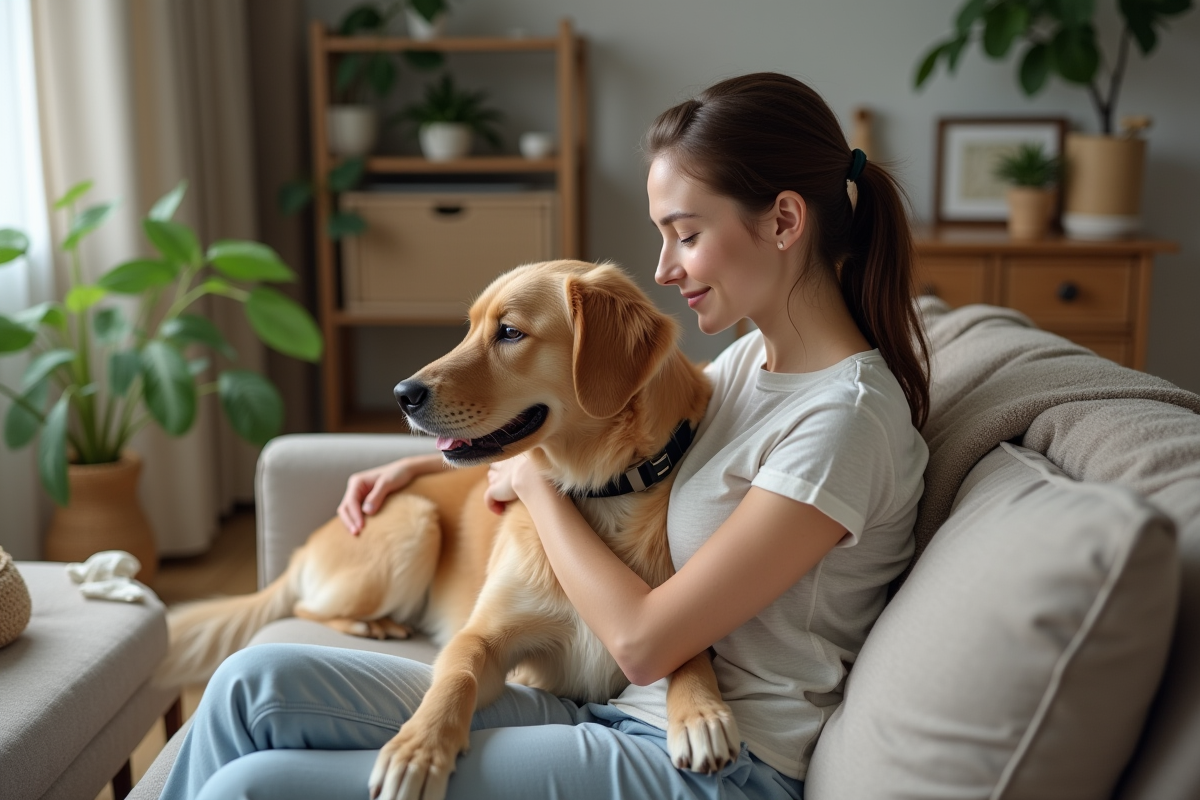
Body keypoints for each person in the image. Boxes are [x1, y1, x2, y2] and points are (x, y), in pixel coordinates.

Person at [160, 72, 930, 800]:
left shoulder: (844, 421)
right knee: (248, 684)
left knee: (245, 791)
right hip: (622, 711)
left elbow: (643, 641)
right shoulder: (747, 367)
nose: (664, 267)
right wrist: (425, 466)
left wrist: (529, 476)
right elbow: (611, 428)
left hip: (716, 766)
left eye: (686, 234)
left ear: (785, 221)